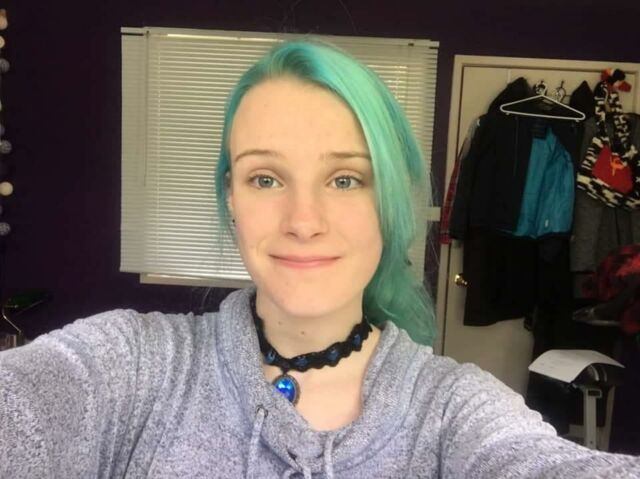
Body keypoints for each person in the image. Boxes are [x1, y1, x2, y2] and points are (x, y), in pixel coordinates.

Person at [1, 40, 639, 479]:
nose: (303, 221)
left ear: (390, 201)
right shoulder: (132, 366)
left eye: (344, 179)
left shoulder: (454, 410)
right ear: (231, 199)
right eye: (265, 178)